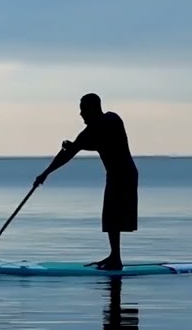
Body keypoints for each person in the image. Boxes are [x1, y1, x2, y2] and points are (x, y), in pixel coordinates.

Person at [34, 93, 139, 270]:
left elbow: (78, 148)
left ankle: (115, 259)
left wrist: (45, 173)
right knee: (111, 217)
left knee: (113, 217)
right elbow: (76, 149)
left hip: (123, 175)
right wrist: (46, 173)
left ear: (92, 109)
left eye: (83, 110)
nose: (80, 114)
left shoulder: (105, 123)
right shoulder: (104, 123)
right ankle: (115, 256)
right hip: (119, 174)